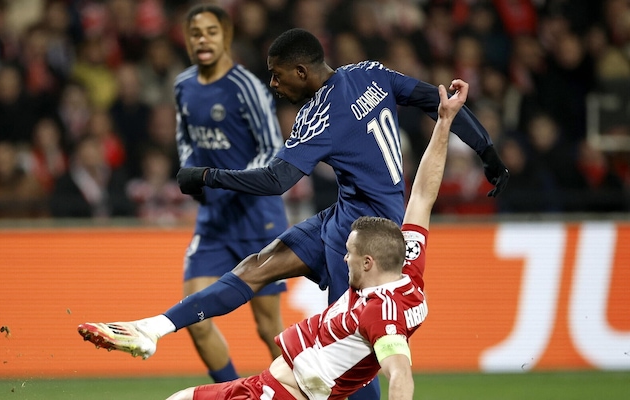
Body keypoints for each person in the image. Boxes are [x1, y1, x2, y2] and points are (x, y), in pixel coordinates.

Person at [79, 29, 508, 400]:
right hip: (350, 216)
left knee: (352, 349)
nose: (273, 84)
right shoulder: (371, 74)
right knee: (254, 267)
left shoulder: (318, 116)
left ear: (301, 72)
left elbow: (275, 180)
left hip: (362, 240)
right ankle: (153, 328)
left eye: (277, 75)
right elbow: (438, 101)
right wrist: (488, 151)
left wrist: (208, 175)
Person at [164, 78, 468, 400]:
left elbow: (401, 373)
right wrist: (444, 122)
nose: (342, 257)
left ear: (368, 262)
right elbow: (422, 196)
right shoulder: (409, 265)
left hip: (290, 391)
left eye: (349, 252)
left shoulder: (382, 313)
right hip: (280, 377)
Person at [144, 4, 291, 384]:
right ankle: (231, 392)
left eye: (211, 31)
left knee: (267, 327)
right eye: (195, 33)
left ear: (225, 37)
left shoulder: (247, 86)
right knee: (195, 320)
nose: (203, 39)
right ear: (188, 40)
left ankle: (307, 390)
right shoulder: (183, 86)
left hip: (257, 217)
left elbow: (272, 148)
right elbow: (186, 138)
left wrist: (222, 179)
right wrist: (191, 170)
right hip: (213, 220)